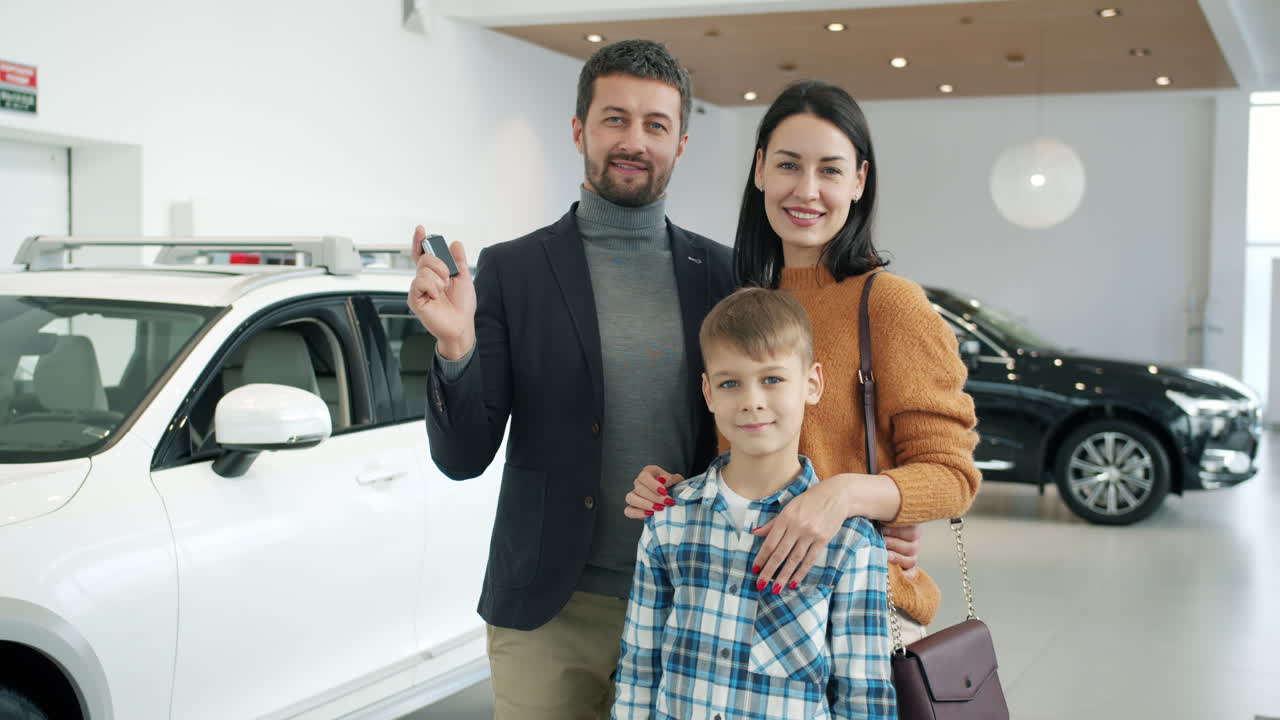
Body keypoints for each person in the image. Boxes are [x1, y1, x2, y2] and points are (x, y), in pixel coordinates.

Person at [408, 39, 735, 720]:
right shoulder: (514, 271)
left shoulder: (723, 277)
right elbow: (463, 457)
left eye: (656, 125)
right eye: (615, 119)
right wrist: (457, 344)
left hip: (689, 601)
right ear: (579, 129)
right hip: (549, 611)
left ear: (680, 143)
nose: (634, 141)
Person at [626, 79, 981, 641]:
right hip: (743, 602)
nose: (807, 190)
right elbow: (746, 448)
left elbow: (952, 475)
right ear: (760, 169)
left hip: (854, 610)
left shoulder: (890, 305)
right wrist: (682, 489)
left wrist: (843, 496)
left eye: (832, 170)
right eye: (789, 165)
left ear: (860, 180)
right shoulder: (742, 303)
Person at [613, 287, 895, 719]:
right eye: (730, 383)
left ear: (812, 384)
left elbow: (864, 698)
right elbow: (639, 667)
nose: (752, 401)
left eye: (772, 379)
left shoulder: (851, 544)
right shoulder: (668, 523)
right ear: (708, 393)